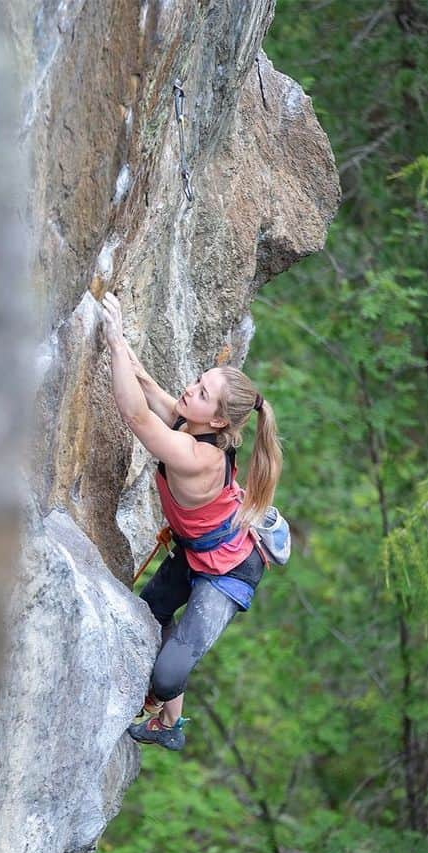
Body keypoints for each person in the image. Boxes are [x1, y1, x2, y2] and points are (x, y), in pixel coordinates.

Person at [99, 292, 283, 751]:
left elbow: (136, 415)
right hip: (197, 550)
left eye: (202, 393)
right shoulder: (192, 425)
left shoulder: (200, 457)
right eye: (199, 381)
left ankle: (167, 719)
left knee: (167, 674)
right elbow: (148, 390)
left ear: (219, 419)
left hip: (227, 571)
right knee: (151, 611)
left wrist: (116, 346)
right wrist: (123, 344)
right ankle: (171, 724)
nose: (191, 390)